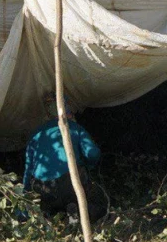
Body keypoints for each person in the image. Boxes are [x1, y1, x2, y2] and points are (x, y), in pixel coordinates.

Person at [23, 93, 105, 221]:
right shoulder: (74, 127)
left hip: (43, 187)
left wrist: (24, 199)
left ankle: (49, 213)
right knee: (96, 201)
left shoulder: (36, 133)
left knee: (49, 206)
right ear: (66, 107)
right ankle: (76, 210)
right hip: (70, 182)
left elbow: (28, 170)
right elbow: (92, 153)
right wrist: (89, 165)